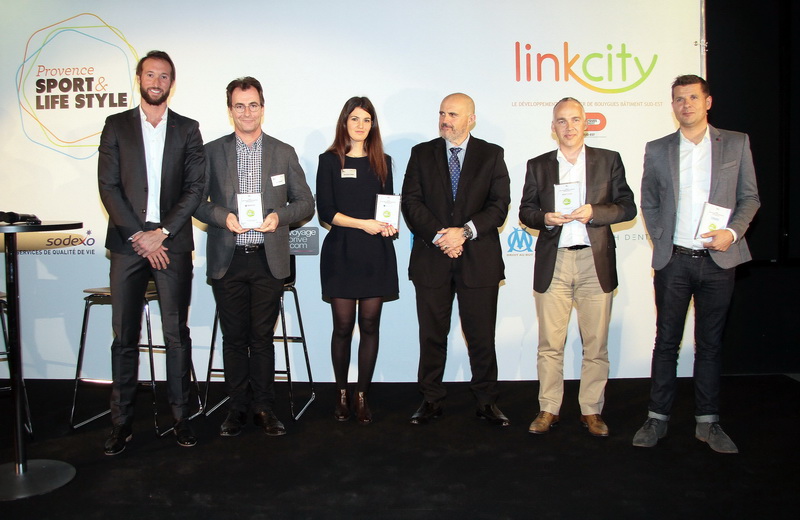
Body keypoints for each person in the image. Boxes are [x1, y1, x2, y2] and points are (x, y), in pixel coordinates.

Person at [633, 74, 760, 453]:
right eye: (677, 99)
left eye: (692, 97)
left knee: (710, 345)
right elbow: (649, 202)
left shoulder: (735, 143)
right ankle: (657, 418)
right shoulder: (658, 149)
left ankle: (708, 422)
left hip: (719, 261)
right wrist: (662, 240)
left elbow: (749, 198)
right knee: (666, 343)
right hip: (675, 261)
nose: (685, 104)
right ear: (672, 106)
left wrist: (732, 234)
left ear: (708, 102)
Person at [98, 50, 205, 455]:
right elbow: (108, 187)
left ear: (171, 84)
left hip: (172, 244)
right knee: (124, 337)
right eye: (150, 74)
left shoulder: (188, 129)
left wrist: (161, 233)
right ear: (139, 79)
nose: (156, 81)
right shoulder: (116, 126)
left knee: (176, 335)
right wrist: (140, 237)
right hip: (128, 245)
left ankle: (181, 419)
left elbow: (195, 188)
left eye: (164, 76)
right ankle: (121, 423)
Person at [194, 77, 314, 437]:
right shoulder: (211, 152)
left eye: (253, 105)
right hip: (228, 258)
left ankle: (263, 407)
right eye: (239, 105)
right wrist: (221, 217)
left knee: (262, 338)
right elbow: (195, 202)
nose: (247, 112)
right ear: (229, 109)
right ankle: (236, 409)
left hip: (268, 258)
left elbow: (306, 203)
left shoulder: (283, 152)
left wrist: (280, 217)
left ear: (263, 107)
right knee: (234, 338)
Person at [519, 97, 636, 437]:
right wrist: (545, 218)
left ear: (587, 124)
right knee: (550, 343)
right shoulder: (538, 165)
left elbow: (627, 208)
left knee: (595, 342)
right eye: (561, 121)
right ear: (552, 127)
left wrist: (594, 213)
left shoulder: (608, 160)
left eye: (575, 120)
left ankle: (591, 410)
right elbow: (526, 211)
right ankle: (549, 408)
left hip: (593, 260)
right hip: (554, 263)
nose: (568, 127)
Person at [401, 93, 511, 426]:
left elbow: (499, 205)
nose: (445, 119)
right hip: (432, 259)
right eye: (442, 113)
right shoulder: (421, 154)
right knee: (431, 335)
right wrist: (441, 236)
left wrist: (462, 232)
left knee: (481, 335)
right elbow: (411, 203)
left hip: (478, 260)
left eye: (453, 114)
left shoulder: (492, 155)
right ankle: (431, 399)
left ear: (471, 119)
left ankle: (486, 401)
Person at [316, 97, 399, 425]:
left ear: (372, 124)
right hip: (341, 252)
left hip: (375, 254)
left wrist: (388, 224)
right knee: (342, 326)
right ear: (344, 123)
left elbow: (388, 206)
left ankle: (362, 394)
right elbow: (326, 212)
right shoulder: (329, 161)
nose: (361, 125)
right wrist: (363, 223)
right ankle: (341, 393)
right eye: (355, 119)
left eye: (366, 119)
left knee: (369, 326)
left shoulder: (384, 161)